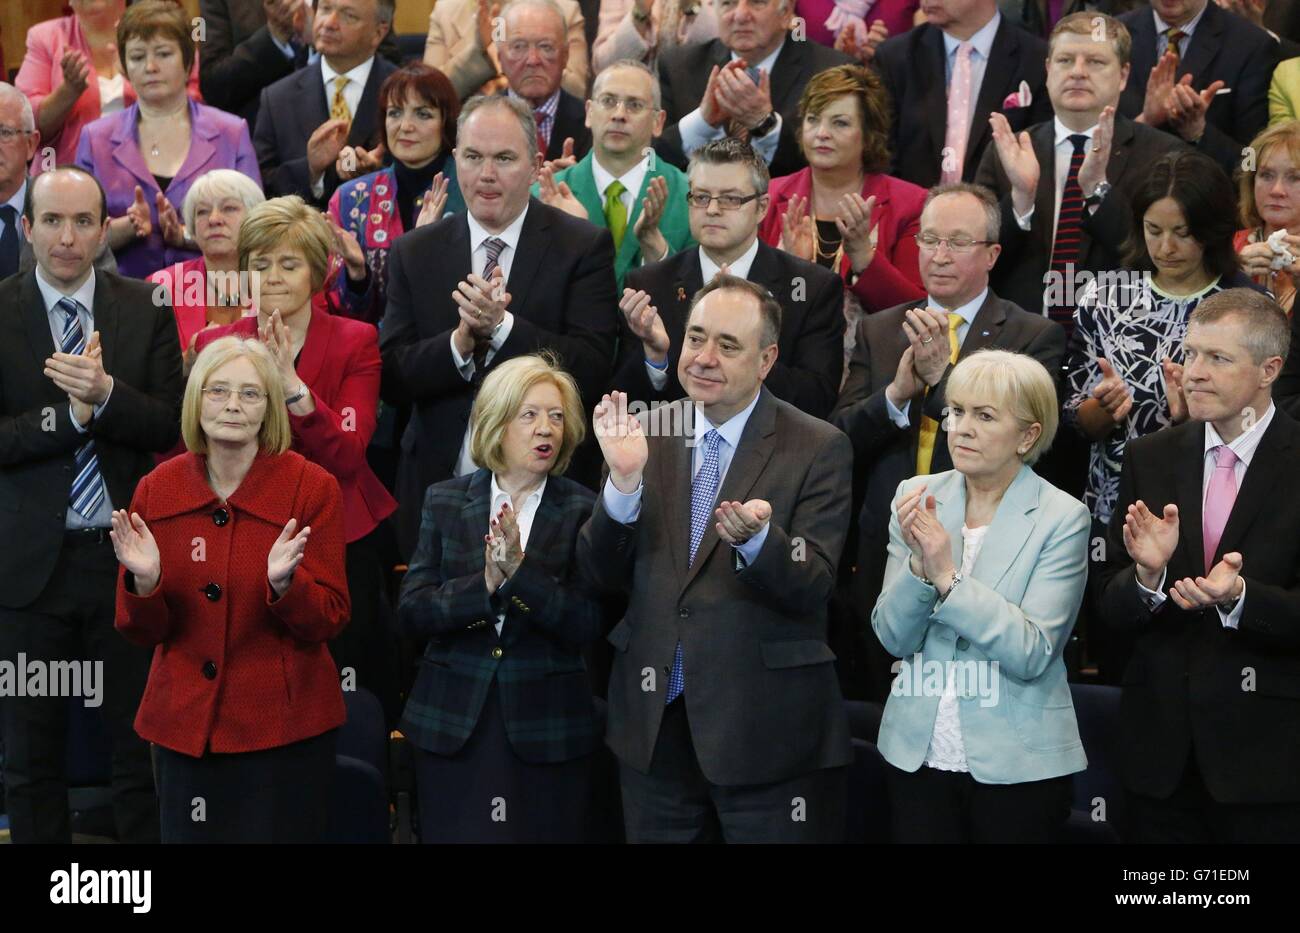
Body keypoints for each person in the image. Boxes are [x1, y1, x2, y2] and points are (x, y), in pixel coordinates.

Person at [579, 274, 854, 843]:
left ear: (767, 359)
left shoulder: (819, 445)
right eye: (696, 338)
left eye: (728, 346)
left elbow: (816, 584)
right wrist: (623, 488)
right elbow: (598, 575)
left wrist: (757, 542)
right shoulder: (643, 434)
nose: (703, 358)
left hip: (764, 732)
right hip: (653, 725)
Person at [0, 166, 183, 844]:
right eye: (52, 221)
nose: (67, 237)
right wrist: (69, 419)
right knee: (29, 756)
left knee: (138, 750)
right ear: (26, 227)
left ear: (104, 230)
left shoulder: (147, 306)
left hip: (124, 563)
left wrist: (105, 396)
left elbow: (169, 423)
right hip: (26, 572)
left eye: (82, 222)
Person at [830, 182, 1066, 702]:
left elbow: (1029, 446)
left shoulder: (1031, 336)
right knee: (878, 703)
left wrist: (942, 382)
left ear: (992, 254)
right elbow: (837, 442)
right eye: (928, 238)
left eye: (957, 242)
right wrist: (894, 396)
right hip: (886, 548)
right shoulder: (880, 328)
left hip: (987, 547)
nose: (938, 255)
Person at [113, 336, 348, 842]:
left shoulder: (312, 488)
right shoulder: (157, 488)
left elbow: (330, 617)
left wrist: (288, 587)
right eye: (217, 392)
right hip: (184, 732)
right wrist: (145, 583)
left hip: (284, 733)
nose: (233, 406)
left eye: (251, 393)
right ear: (196, 403)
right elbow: (140, 631)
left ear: (270, 410)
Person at [1097, 288, 1300, 843]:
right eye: (1191, 354)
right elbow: (1106, 606)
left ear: (1269, 370)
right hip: (1159, 762)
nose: (1195, 373)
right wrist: (1146, 578)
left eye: (1218, 359)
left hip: (1269, 763)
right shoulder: (1152, 456)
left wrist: (1240, 599)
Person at [379, 94, 618, 558]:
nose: (485, 174)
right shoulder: (414, 251)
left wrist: (504, 328)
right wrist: (459, 343)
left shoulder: (582, 247)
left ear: (535, 164)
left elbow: (591, 369)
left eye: (504, 158)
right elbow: (392, 374)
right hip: (437, 490)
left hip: (550, 498)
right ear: (455, 161)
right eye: (472, 157)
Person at [191, 196, 399, 723]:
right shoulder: (215, 342)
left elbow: (349, 454)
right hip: (239, 530)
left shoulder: (357, 340)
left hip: (340, 535)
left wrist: (292, 387)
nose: (275, 277)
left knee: (346, 684)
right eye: (260, 264)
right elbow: (195, 447)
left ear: (320, 271)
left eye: (289, 263)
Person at [872, 349, 1088, 842]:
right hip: (915, 755)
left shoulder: (1063, 518)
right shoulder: (916, 494)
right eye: (957, 412)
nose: (961, 428)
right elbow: (891, 637)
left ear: (1028, 435)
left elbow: (1032, 651)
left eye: (984, 416)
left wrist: (948, 575)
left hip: (1019, 766)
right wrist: (918, 571)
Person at [1063, 148, 1258, 680]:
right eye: (1153, 230)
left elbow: (1264, 421)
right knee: (1125, 666)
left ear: (1213, 230)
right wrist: (1100, 411)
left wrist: (1191, 424)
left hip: (1215, 513)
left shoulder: (1243, 305)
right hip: (1115, 514)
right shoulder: (1103, 298)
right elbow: (1071, 420)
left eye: (1182, 232)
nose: (1165, 247)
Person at [398, 353, 603, 842]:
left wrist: (520, 577)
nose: (545, 429)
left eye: (555, 416)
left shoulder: (583, 508)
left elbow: (588, 623)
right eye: (528, 414)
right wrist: (485, 583)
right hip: (454, 722)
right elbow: (412, 611)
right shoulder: (444, 499)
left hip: (547, 726)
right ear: (496, 422)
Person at [975, 12, 1187, 328]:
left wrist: (1098, 192)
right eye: (1064, 60)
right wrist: (1021, 199)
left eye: (1095, 62)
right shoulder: (1011, 150)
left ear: (1124, 75)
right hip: (1018, 346)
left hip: (1122, 339)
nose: (1077, 72)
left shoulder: (1165, 156)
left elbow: (1163, 261)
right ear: (1047, 71)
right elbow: (978, 260)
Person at [615, 137, 845, 417]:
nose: (712, 209)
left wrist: (745, 361)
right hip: (675, 449)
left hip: (771, 452)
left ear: (762, 207)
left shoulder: (812, 287)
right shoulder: (648, 284)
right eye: (700, 197)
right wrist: (656, 359)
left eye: (730, 199)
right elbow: (625, 406)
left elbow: (817, 399)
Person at [74, 0, 261, 281]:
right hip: (122, 299)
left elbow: (256, 229)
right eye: (137, 57)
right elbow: (74, 235)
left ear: (188, 63)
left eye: (163, 54)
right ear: (124, 67)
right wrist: (127, 227)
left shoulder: (231, 132)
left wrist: (186, 235)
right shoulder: (94, 137)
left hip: (215, 298)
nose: (150, 67)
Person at [759, 63, 926, 319]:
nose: (822, 133)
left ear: (869, 134)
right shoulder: (768, 196)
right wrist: (792, 269)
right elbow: (750, 304)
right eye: (813, 119)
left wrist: (863, 257)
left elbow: (915, 311)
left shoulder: (911, 204)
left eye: (840, 123)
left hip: (875, 357)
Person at [535, 59, 693, 290]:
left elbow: (695, 297)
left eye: (635, 105)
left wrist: (657, 249)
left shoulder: (691, 196)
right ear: (589, 112)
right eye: (608, 101)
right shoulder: (542, 195)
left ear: (658, 122)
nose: (619, 114)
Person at [329, 63, 467, 325]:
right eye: (394, 113)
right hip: (371, 354)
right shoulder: (350, 199)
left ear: (446, 122)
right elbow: (340, 315)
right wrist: (358, 277)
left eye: (423, 114)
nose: (405, 126)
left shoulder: (473, 192)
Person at [655, 0, 853, 178]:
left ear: (786, 13)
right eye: (728, 3)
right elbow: (653, 162)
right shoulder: (678, 67)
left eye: (757, 2)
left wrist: (765, 125)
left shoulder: (830, 71)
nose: (740, 15)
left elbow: (839, 165)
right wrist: (702, 123)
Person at [875, 0, 1051, 191]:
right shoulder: (895, 57)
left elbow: (1041, 157)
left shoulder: (1037, 59)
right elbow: (882, 154)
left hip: (1002, 212)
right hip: (912, 214)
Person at [15, 0, 202, 174]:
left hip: (157, 169)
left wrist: (139, 81)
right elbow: (27, 122)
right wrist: (69, 91)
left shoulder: (163, 27)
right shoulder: (45, 37)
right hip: (68, 184)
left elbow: (195, 105)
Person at [253, 0, 398, 207]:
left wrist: (381, 175)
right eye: (325, 9)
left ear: (379, 32)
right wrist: (311, 170)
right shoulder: (277, 98)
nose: (329, 23)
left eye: (349, 15)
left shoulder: (403, 92)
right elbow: (261, 183)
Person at [1116, 0, 1277, 174]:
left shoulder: (1252, 44)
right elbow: (1089, 140)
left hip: (1206, 191)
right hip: (1125, 191)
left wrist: (1198, 132)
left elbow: (1252, 163)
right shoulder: (1112, 36)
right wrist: (1145, 121)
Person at [198, 0, 402, 127]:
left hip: (355, 131)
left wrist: (321, 39)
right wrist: (275, 38)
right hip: (266, 140)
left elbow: (388, 68)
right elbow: (215, 86)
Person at [425, 0, 590, 101]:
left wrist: (517, 77)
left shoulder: (565, 9)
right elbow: (427, 96)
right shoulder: (445, 11)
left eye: (545, 46)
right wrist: (478, 53)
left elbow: (577, 90)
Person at [496, 0, 594, 166]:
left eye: (546, 47)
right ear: (500, 59)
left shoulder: (592, 125)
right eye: (519, 47)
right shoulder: (476, 123)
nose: (533, 60)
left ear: (565, 56)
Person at [1234, 121, 1300, 315]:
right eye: (1266, 175)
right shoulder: (1225, 249)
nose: (1277, 190)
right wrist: (1230, 279)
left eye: (1295, 178)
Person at [591, 0, 718, 73]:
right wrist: (639, 14)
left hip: (698, 96)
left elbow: (728, 47)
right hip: (637, 100)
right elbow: (604, 66)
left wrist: (691, 7)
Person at [795, 0, 917, 62]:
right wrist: (832, 58)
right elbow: (794, 46)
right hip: (816, 93)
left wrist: (889, 51)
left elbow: (925, 49)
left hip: (891, 95)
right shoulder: (794, 6)